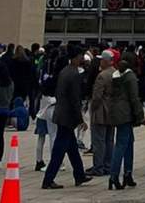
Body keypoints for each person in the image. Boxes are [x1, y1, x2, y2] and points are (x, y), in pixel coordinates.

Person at [42, 44, 93, 189]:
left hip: (61, 113)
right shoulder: (74, 74)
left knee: (72, 149)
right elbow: (74, 99)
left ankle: (79, 175)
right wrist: (80, 119)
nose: (82, 58)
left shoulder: (65, 71)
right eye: (81, 56)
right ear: (76, 57)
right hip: (67, 116)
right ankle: (48, 179)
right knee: (59, 150)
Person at [107, 51, 143, 189]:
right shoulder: (130, 77)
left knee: (128, 142)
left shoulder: (115, 76)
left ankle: (128, 174)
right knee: (122, 144)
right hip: (126, 113)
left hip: (116, 112)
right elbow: (134, 98)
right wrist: (140, 116)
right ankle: (114, 176)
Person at [88, 50, 115, 178]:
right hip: (112, 111)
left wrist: (92, 108)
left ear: (105, 61)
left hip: (101, 111)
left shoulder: (102, 76)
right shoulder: (115, 73)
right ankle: (108, 165)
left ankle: (98, 167)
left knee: (99, 140)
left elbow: (97, 96)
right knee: (109, 140)